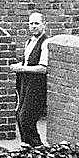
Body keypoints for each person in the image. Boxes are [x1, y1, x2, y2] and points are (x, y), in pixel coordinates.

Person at [10, 12, 48, 147]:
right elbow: (26, 63)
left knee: (26, 117)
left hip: (38, 85)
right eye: (31, 23)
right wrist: (17, 66)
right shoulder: (29, 42)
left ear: (44, 24)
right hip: (25, 83)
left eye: (37, 23)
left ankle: (38, 147)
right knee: (19, 115)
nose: (33, 26)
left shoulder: (45, 43)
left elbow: (43, 68)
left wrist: (23, 69)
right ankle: (26, 146)